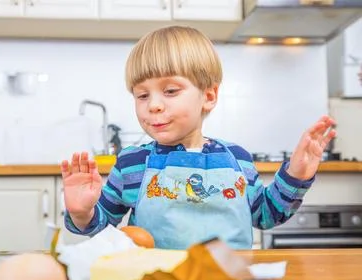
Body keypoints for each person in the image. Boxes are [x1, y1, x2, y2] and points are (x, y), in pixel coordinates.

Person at [60, 26, 336, 250]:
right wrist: (82, 212)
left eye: (170, 90)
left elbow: (265, 214)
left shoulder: (236, 158)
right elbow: (103, 228)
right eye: (142, 95)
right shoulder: (132, 163)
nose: (153, 105)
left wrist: (296, 175)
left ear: (209, 96)